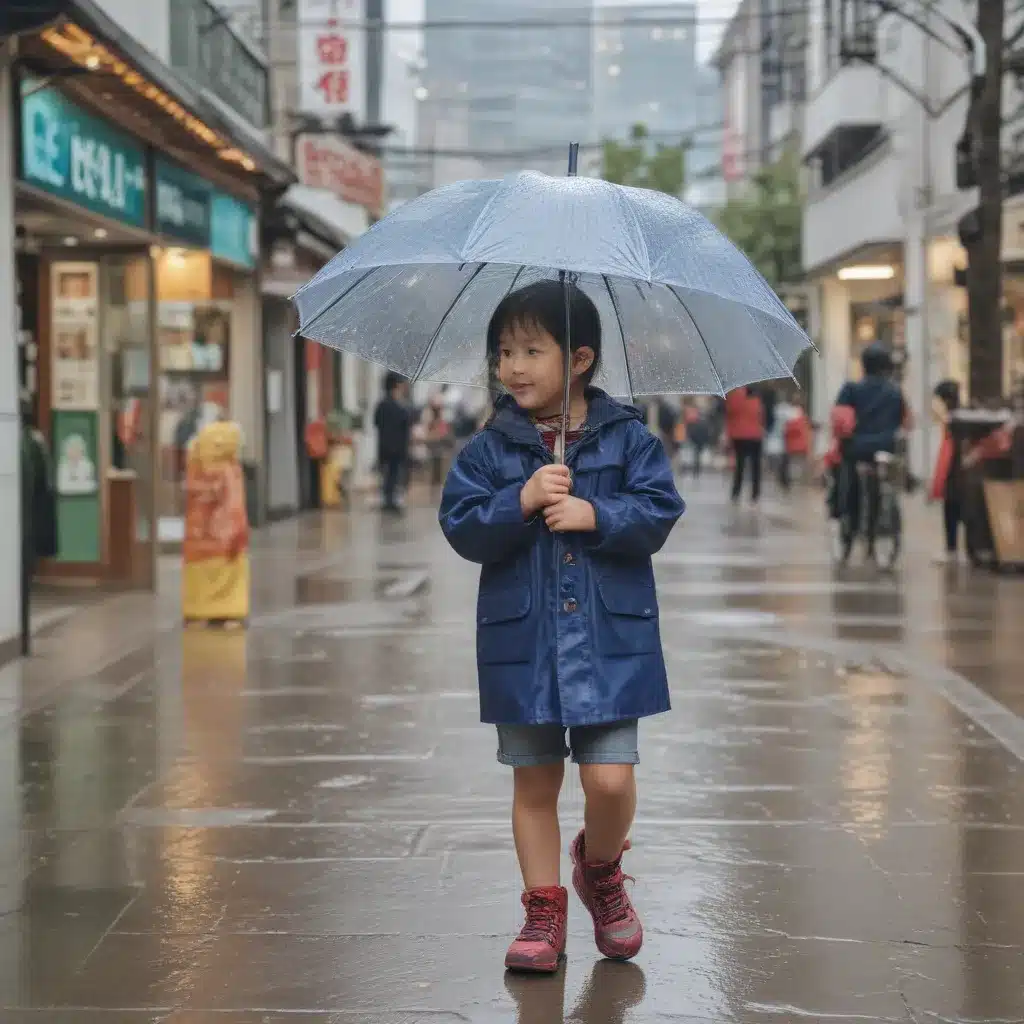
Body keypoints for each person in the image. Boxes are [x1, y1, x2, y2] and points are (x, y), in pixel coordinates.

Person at [439, 280, 685, 973]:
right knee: (534, 781)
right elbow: (461, 526)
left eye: (530, 350)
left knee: (608, 780)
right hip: (524, 644)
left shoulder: (629, 439)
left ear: (578, 359)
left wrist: (597, 516)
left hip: (611, 641)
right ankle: (542, 908)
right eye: (503, 351)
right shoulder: (490, 451)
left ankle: (599, 869)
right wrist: (518, 501)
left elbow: (659, 512)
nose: (512, 366)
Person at [831, 343, 912, 551]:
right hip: (886, 447)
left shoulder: (852, 389)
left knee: (849, 479)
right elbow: (906, 422)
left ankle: (849, 519)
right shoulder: (895, 392)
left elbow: (841, 421)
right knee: (880, 481)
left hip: (856, 448)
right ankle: (879, 528)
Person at [929, 379, 963, 563]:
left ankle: (952, 548)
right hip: (954, 467)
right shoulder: (954, 417)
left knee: (951, 507)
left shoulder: (952, 419)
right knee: (953, 507)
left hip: (954, 468)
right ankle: (953, 548)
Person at [374, 371, 412, 513]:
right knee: (393, 474)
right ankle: (390, 501)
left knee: (388, 474)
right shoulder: (397, 406)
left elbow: (376, 422)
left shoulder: (382, 405)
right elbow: (405, 423)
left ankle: (388, 499)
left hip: (385, 446)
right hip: (395, 448)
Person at [725, 386, 765, 503]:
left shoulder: (734, 396)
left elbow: (730, 413)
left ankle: (736, 493)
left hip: (739, 435)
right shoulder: (757, 399)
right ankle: (755, 494)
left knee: (740, 465)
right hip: (755, 435)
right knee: (756, 465)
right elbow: (761, 417)